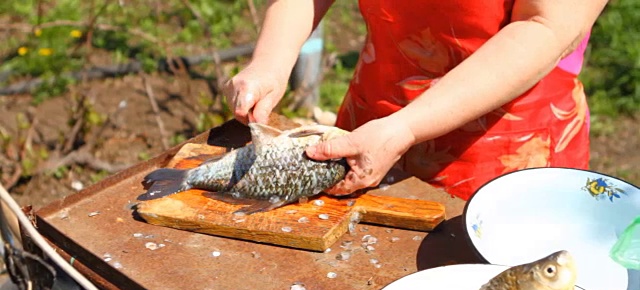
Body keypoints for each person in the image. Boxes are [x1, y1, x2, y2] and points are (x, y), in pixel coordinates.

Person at [223, 0, 608, 201]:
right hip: (372, 116)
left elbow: (546, 27)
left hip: (503, 151)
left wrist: (404, 127)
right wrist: (271, 60)